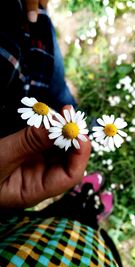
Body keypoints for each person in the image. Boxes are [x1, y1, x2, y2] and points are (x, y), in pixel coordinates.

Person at [0, 0, 123, 266]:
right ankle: (77, 210)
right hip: (19, 117)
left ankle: (73, 205)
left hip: (30, 46)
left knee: (63, 102)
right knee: (64, 119)